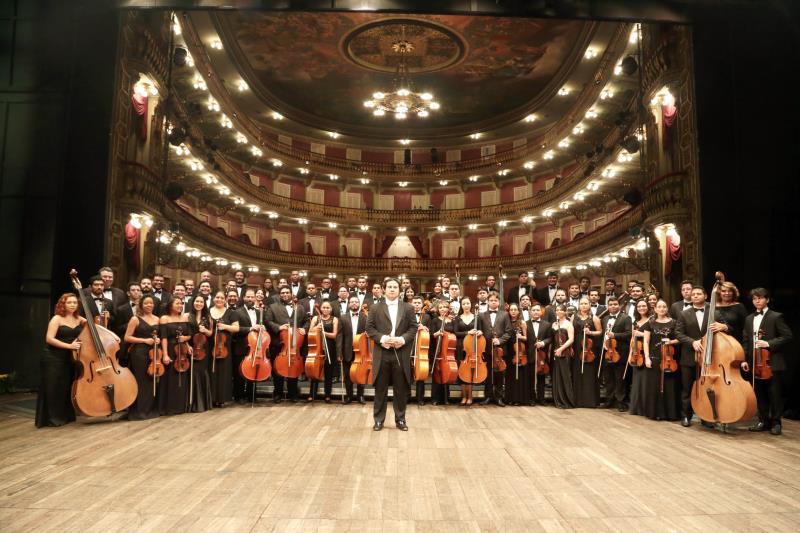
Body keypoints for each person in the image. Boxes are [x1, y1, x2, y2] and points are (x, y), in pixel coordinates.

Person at [365, 278, 417, 431]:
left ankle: (400, 420)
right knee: (380, 389)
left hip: (401, 353)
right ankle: (379, 420)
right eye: (389, 287)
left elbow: (413, 328)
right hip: (382, 352)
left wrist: (402, 339)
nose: (392, 289)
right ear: (384, 289)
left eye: (395, 287)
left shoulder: (408, 308)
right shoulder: (375, 308)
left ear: (400, 290)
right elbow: (369, 328)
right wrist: (383, 339)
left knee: (400, 390)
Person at [743, 288, 794, 435]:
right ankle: (763, 421)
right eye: (754, 299)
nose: (757, 301)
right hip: (755, 362)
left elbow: (787, 336)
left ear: (767, 299)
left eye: (760, 298)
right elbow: (746, 341)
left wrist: (768, 343)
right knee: (760, 393)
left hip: (771, 362)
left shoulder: (776, 316)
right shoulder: (749, 319)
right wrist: (745, 359)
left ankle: (776, 423)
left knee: (774, 394)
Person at [37, 293, 86, 427]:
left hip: (70, 359)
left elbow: (95, 328)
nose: (72, 305)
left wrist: (112, 336)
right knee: (53, 388)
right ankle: (52, 419)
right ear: (62, 304)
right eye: (69, 302)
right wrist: (69, 346)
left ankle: (65, 416)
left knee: (65, 387)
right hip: (53, 357)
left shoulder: (79, 319)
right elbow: (49, 339)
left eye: (75, 303)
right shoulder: (57, 319)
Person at [122, 294, 162, 420]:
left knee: (151, 380)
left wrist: (158, 340)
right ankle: (138, 411)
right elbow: (127, 337)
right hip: (139, 353)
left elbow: (159, 335)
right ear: (141, 305)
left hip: (154, 353)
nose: (149, 305)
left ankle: (149, 409)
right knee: (141, 380)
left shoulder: (157, 319)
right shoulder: (135, 319)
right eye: (146, 303)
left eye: (151, 303)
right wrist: (144, 340)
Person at [675, 286, 710, 427]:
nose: (695, 296)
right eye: (693, 294)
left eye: (698, 294)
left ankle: (706, 417)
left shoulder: (713, 312)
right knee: (687, 388)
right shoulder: (684, 314)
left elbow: (727, 329)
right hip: (688, 356)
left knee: (706, 387)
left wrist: (724, 326)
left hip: (709, 357)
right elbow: (678, 333)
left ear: (705, 296)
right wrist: (692, 342)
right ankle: (686, 416)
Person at [266, 286, 308, 402]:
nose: (285, 294)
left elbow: (306, 321)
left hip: (295, 345)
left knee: (293, 368)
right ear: (280, 294)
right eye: (283, 293)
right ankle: (278, 393)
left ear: (291, 294)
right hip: (278, 343)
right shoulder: (273, 307)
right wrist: (278, 327)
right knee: (277, 370)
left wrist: (304, 328)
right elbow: (268, 321)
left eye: (287, 292)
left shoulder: (300, 308)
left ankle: (292, 393)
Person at [642, 299, 681, 421]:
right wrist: (647, 358)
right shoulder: (650, 322)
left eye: (664, 306)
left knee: (670, 386)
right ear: (655, 309)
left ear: (667, 308)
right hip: (655, 357)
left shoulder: (674, 322)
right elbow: (646, 341)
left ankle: (670, 414)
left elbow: (680, 338)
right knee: (654, 386)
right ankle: (655, 413)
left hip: (670, 358)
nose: (662, 309)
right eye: (659, 306)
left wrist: (671, 341)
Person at [158, 296, 193, 415]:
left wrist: (186, 340)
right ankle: (168, 407)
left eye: (181, 303)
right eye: (177, 303)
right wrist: (165, 355)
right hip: (170, 350)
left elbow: (189, 335)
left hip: (182, 351)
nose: (180, 305)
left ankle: (180, 406)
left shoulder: (185, 317)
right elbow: (163, 337)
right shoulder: (164, 318)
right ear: (170, 305)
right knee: (169, 378)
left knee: (182, 378)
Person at [480, 293, 513, 406]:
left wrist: (499, 340)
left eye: (495, 300)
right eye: (491, 300)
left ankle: (499, 397)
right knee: (488, 374)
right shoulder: (481, 315)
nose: (493, 302)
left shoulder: (504, 315)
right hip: (486, 349)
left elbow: (509, 332)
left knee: (499, 375)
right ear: (488, 302)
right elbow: (480, 331)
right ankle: (488, 396)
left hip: (500, 350)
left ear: (499, 302)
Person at [208, 290, 240, 407]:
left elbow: (236, 328)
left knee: (223, 373)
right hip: (210, 346)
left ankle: (221, 398)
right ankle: (210, 398)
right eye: (217, 297)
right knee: (211, 371)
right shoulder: (208, 311)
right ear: (213, 298)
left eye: (222, 298)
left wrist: (224, 326)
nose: (219, 300)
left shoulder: (231, 313)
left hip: (224, 347)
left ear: (225, 299)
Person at [600, 297, 632, 411]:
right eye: (611, 304)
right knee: (608, 378)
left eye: (615, 304)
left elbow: (629, 334)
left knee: (619, 378)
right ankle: (609, 400)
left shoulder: (626, 318)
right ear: (608, 306)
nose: (613, 306)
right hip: (607, 352)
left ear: (619, 305)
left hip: (620, 352)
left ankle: (621, 402)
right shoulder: (605, 319)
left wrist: (615, 335)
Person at [572, 297, 602, 408]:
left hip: (589, 348)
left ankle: (590, 401)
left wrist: (590, 332)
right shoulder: (573, 317)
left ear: (589, 305)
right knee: (577, 373)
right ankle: (577, 401)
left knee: (589, 375)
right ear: (579, 305)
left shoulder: (595, 318)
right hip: (577, 348)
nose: (584, 305)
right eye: (582, 303)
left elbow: (600, 332)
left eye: (586, 303)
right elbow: (570, 332)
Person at [337, 295, 367, 404]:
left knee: (360, 374)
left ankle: (360, 396)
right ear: (349, 304)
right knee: (348, 375)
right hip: (347, 351)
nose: (354, 303)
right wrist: (339, 352)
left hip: (362, 351)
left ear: (359, 304)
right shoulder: (343, 317)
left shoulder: (365, 317)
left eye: (356, 302)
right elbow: (339, 336)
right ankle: (349, 396)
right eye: (352, 302)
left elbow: (368, 335)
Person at [307, 300, 339, 403]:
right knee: (314, 370)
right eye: (324, 307)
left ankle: (327, 395)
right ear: (320, 309)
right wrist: (316, 328)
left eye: (327, 308)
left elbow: (334, 335)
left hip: (330, 348)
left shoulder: (335, 319)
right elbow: (309, 333)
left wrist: (323, 332)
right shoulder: (316, 318)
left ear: (331, 309)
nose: (325, 309)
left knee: (328, 372)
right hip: (317, 348)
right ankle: (312, 394)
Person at [454, 296, 482, 406]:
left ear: (471, 304)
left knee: (470, 372)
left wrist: (479, 332)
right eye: (464, 304)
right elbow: (456, 333)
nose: (466, 305)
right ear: (461, 305)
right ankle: (463, 396)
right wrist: (467, 333)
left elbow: (480, 330)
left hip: (473, 348)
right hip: (461, 347)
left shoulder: (476, 317)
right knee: (462, 372)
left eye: (468, 303)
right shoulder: (457, 318)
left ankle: (470, 396)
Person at [187, 294, 212, 412]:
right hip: (191, 347)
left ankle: (202, 403)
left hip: (203, 348)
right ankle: (191, 403)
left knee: (202, 372)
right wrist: (187, 345)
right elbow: (184, 332)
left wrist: (205, 330)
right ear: (193, 302)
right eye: (197, 301)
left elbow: (211, 334)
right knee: (192, 373)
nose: (199, 304)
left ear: (204, 304)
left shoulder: (208, 317)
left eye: (201, 302)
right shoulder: (187, 316)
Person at [429, 300, 456, 405]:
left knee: (447, 372)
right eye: (440, 307)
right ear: (438, 310)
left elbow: (455, 333)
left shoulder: (452, 321)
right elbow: (431, 335)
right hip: (437, 349)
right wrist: (436, 334)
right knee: (437, 373)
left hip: (448, 351)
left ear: (448, 309)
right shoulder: (435, 321)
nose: (443, 309)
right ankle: (435, 398)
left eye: (445, 307)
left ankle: (445, 398)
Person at [628, 299, 652, 416]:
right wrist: (629, 355)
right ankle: (637, 407)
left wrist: (641, 334)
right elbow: (632, 340)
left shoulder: (652, 320)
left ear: (648, 307)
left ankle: (646, 408)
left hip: (647, 352)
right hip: (637, 354)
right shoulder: (635, 321)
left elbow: (654, 336)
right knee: (637, 381)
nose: (641, 308)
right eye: (639, 306)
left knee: (647, 381)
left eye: (644, 306)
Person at [526, 304, 552, 406]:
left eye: (538, 310)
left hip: (542, 355)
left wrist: (543, 343)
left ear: (541, 312)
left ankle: (541, 398)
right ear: (530, 312)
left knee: (541, 378)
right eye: (534, 310)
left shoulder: (547, 324)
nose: (536, 312)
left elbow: (550, 338)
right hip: (530, 354)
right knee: (530, 378)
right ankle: (531, 399)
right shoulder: (525, 324)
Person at [551, 304, 575, 408]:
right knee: (557, 376)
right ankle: (558, 400)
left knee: (565, 376)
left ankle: (567, 401)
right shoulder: (554, 324)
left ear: (565, 312)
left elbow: (571, 339)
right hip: (556, 353)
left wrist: (561, 349)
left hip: (565, 353)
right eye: (557, 310)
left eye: (561, 310)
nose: (559, 311)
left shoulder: (568, 324)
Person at [504, 303, 529, 406]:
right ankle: (509, 398)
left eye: (515, 310)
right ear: (509, 311)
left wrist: (520, 336)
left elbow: (526, 338)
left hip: (519, 351)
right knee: (510, 375)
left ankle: (519, 398)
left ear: (519, 311)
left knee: (519, 376)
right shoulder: (507, 321)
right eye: (511, 310)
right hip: (509, 350)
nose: (513, 311)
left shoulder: (522, 322)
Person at [410, 296, 432, 405]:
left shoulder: (427, 317)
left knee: (421, 374)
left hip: (421, 349)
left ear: (422, 304)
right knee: (407, 374)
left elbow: (430, 332)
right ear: (411, 303)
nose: (417, 304)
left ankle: (420, 398)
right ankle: (406, 397)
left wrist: (425, 328)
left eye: (419, 303)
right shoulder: (406, 316)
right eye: (415, 302)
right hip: (409, 347)